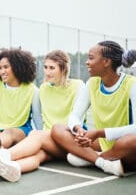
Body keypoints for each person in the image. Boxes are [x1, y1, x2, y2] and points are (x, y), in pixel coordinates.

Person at [0, 50, 84, 182]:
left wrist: (42, 134)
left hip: (68, 139)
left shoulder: (78, 85)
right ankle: (11, 168)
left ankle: (2, 155)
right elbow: (41, 120)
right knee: (38, 156)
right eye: (46, 67)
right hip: (50, 141)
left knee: (35, 135)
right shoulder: (44, 88)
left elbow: (77, 118)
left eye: (52, 68)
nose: (47, 72)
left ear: (64, 68)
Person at [51, 40, 136, 177]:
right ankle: (103, 162)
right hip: (104, 143)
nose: (87, 62)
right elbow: (74, 115)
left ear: (106, 62)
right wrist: (79, 130)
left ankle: (91, 158)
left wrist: (99, 133)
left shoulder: (132, 84)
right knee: (58, 129)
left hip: (128, 146)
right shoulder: (92, 83)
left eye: (91, 58)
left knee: (130, 141)